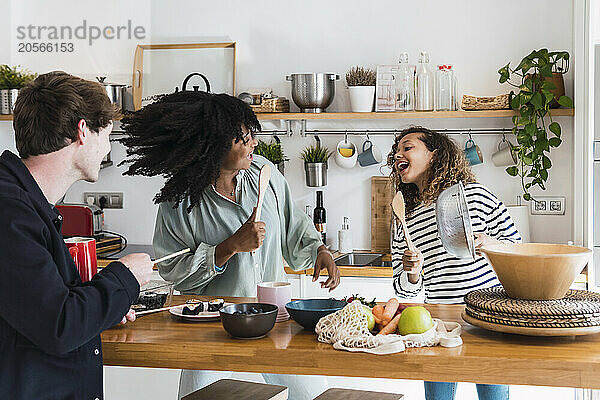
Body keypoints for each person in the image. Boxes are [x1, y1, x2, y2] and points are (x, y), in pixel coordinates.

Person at [120, 90, 340, 399]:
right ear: (211, 147)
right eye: (242, 139)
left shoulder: (264, 173)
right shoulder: (179, 201)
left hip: (274, 321)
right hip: (211, 327)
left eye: (252, 135)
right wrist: (230, 246)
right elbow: (172, 269)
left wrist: (320, 250)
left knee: (313, 396)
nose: (253, 144)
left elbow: (294, 225)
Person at [0, 72, 154, 400]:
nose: (108, 148)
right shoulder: (8, 212)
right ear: (82, 132)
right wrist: (125, 278)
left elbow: (42, 312)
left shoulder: (26, 207)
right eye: (108, 135)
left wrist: (104, 306)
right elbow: (59, 325)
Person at [389, 126, 520, 400]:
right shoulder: (405, 216)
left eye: (407, 147)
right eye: (396, 151)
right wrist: (412, 275)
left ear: (434, 155)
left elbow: (517, 250)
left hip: (488, 318)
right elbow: (403, 291)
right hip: (440, 323)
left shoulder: (476, 196)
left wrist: (487, 243)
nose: (397, 155)